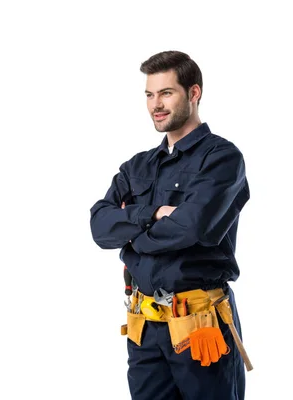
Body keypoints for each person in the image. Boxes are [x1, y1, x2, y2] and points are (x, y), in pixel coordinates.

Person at [89, 50, 251, 400]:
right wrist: (150, 214)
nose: (155, 104)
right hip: (144, 329)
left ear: (194, 93)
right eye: (149, 94)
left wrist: (132, 238)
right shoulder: (137, 166)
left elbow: (194, 229)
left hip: (199, 327)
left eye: (166, 93)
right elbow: (100, 226)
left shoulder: (222, 159)